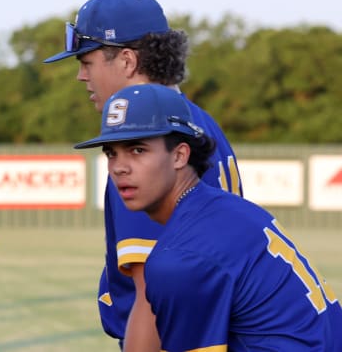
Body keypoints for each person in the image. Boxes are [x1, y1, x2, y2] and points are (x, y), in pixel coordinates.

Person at [44, 0, 243, 351]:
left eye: (87, 62)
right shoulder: (199, 121)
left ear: (126, 60)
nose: (80, 76)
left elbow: (150, 297)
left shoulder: (144, 145)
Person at [74, 83, 342, 351]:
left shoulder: (182, 256)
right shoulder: (229, 210)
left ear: (179, 155)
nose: (119, 167)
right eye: (111, 153)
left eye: (137, 150)